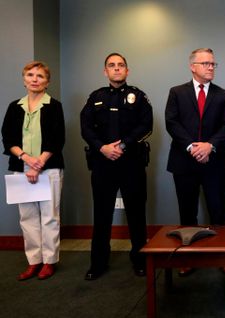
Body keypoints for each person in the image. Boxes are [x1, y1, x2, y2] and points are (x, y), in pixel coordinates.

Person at [80, 53, 153, 280]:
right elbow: (86, 128)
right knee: (101, 214)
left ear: (127, 71)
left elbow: (146, 125)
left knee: (136, 215)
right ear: (105, 72)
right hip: (103, 164)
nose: (117, 69)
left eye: (121, 65)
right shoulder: (96, 97)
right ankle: (98, 263)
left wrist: (122, 145)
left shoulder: (138, 96)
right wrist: (102, 147)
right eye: (112, 66)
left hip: (131, 163)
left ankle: (140, 261)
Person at [165, 48, 225, 276]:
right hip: (184, 162)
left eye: (213, 64)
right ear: (193, 66)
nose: (211, 67)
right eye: (206, 63)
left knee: (218, 213)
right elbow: (172, 123)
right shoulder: (176, 92)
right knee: (187, 213)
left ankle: (224, 258)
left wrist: (209, 146)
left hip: (214, 162)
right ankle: (188, 258)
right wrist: (192, 146)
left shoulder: (223, 95)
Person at [1, 61, 65, 280]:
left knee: (49, 217)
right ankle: (34, 261)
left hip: (49, 169)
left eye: (40, 76)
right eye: (30, 75)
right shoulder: (14, 106)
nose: (34, 79)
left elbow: (57, 139)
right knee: (27, 218)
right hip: (21, 169)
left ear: (47, 82)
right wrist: (27, 159)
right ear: (24, 79)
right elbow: (7, 138)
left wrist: (39, 162)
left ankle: (49, 261)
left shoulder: (54, 106)